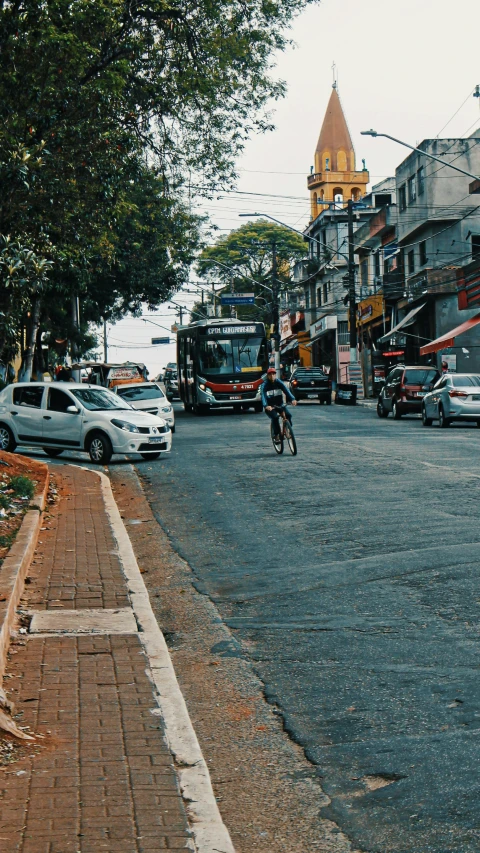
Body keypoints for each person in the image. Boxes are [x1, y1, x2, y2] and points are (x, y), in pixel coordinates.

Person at [261, 367, 297, 440]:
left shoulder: (279, 382)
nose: (272, 376)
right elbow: (263, 395)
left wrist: (292, 399)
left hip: (280, 404)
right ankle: (276, 434)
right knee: (275, 417)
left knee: (288, 415)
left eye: (273, 374)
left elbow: (286, 390)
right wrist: (266, 405)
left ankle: (288, 430)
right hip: (270, 407)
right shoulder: (265, 385)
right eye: (270, 374)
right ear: (267, 376)